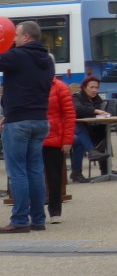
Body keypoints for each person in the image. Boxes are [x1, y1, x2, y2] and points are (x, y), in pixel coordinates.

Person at [0, 20, 55, 232]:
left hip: (19, 121)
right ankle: (38, 219)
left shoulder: (18, 56)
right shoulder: (47, 60)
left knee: (18, 173)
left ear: (25, 37)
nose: (12, 39)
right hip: (40, 119)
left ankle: (20, 221)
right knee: (35, 171)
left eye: (16, 36)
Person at [43, 75, 76, 223]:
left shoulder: (60, 87)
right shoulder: (30, 83)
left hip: (54, 138)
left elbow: (69, 114)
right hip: (34, 138)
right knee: (33, 175)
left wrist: (67, 140)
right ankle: (36, 211)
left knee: (54, 176)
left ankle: (55, 210)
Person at [71, 75, 114, 181]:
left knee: (103, 132)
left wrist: (106, 114)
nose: (94, 90)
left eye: (96, 87)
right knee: (78, 136)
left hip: (90, 131)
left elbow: (105, 109)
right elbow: (78, 109)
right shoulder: (77, 97)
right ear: (84, 87)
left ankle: (105, 169)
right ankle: (91, 153)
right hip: (75, 131)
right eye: (92, 87)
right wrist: (96, 111)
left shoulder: (97, 98)